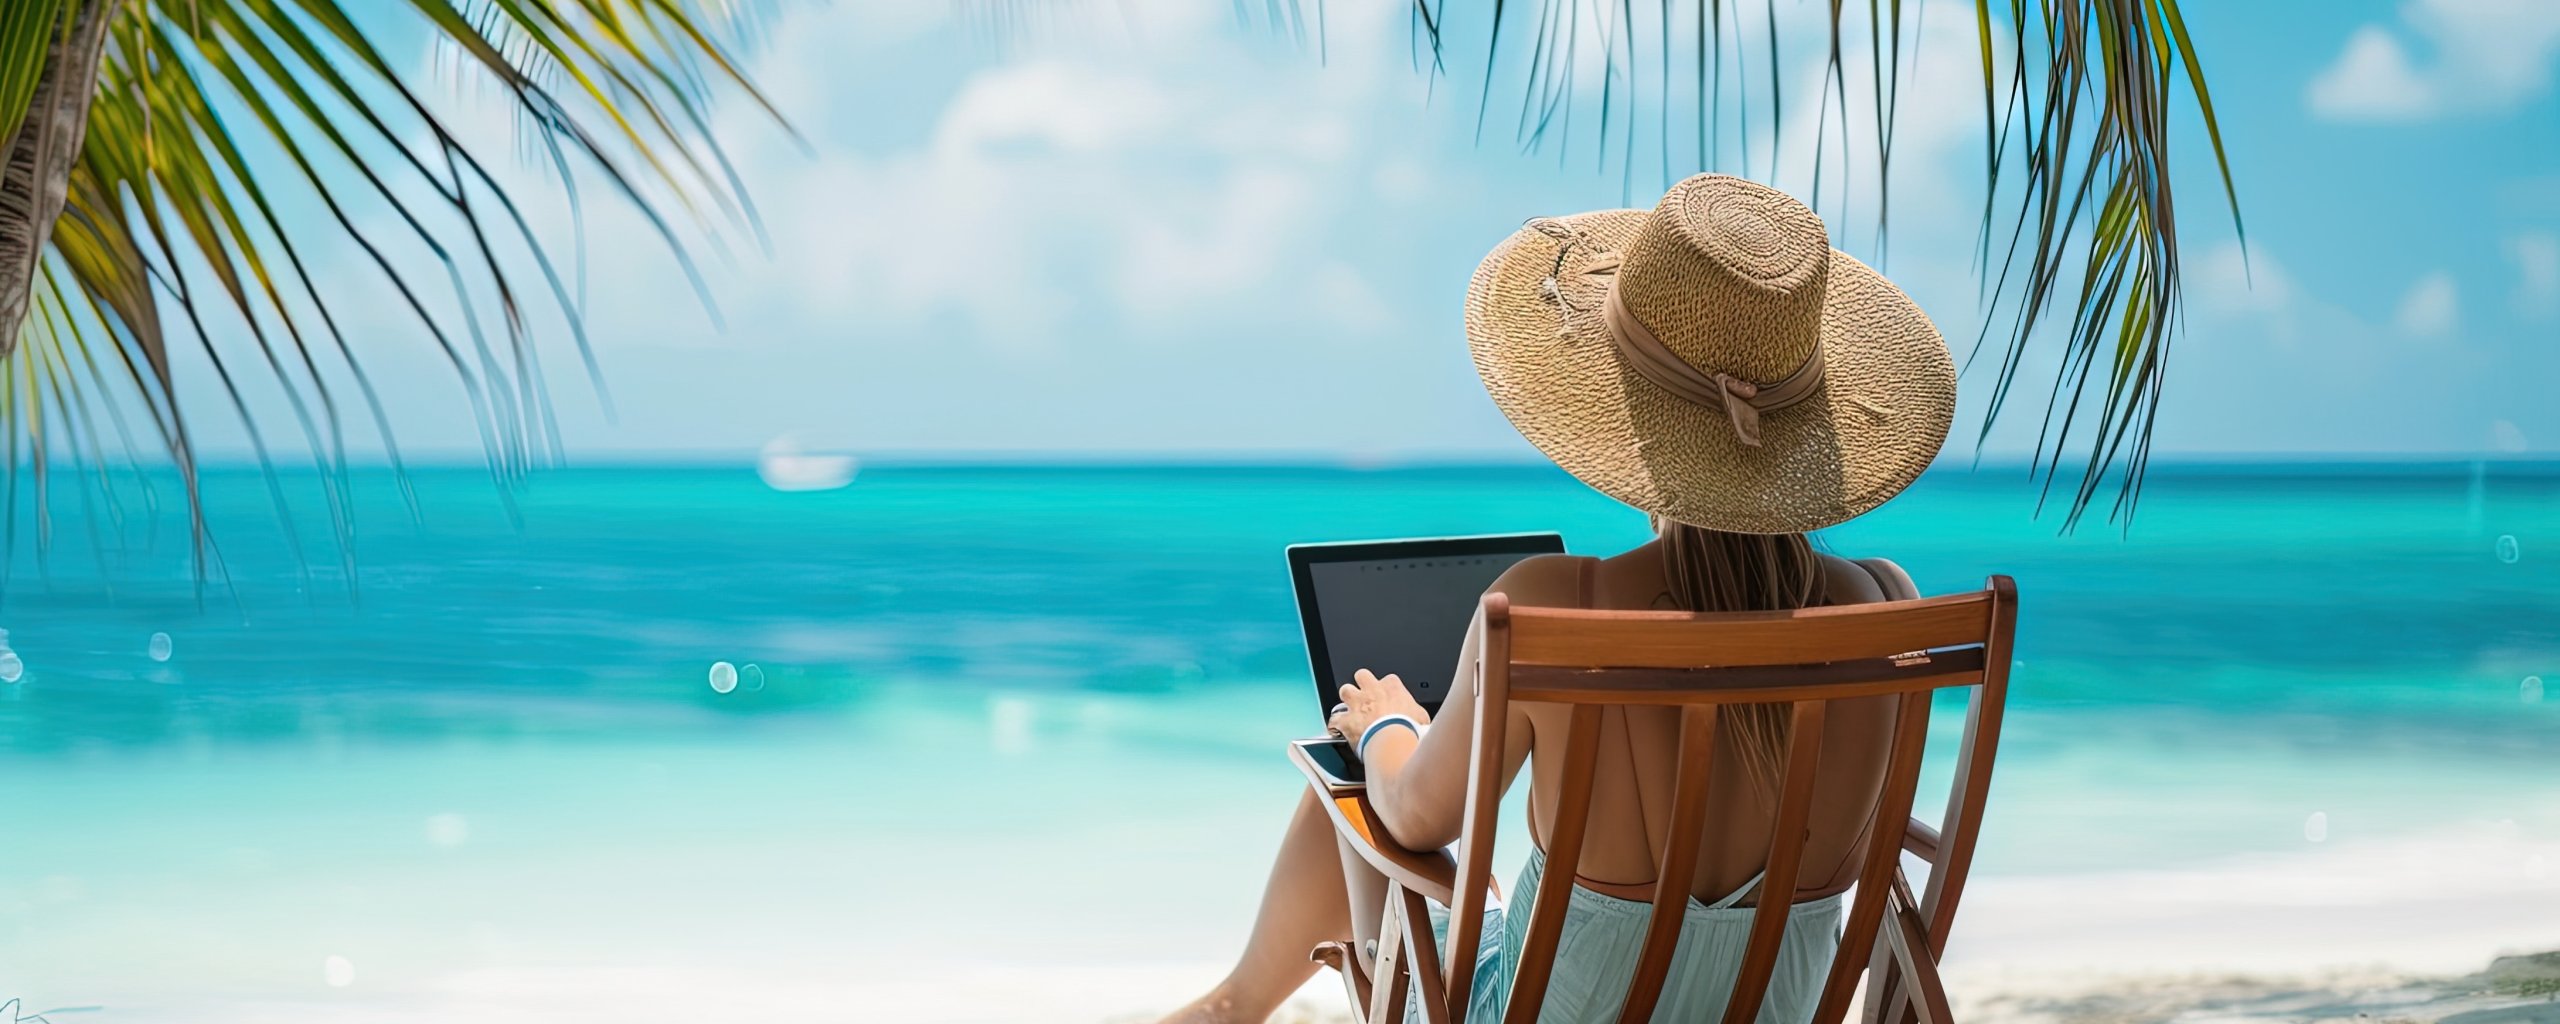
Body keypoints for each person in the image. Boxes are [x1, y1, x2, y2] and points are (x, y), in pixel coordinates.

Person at [1162, 173, 1957, 1024]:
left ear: (1625, 412)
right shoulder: (1882, 603)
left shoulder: (1553, 607)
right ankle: (1232, 1004)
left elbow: (1420, 819)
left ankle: (1235, 1005)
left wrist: (1389, 726)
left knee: (1357, 775)